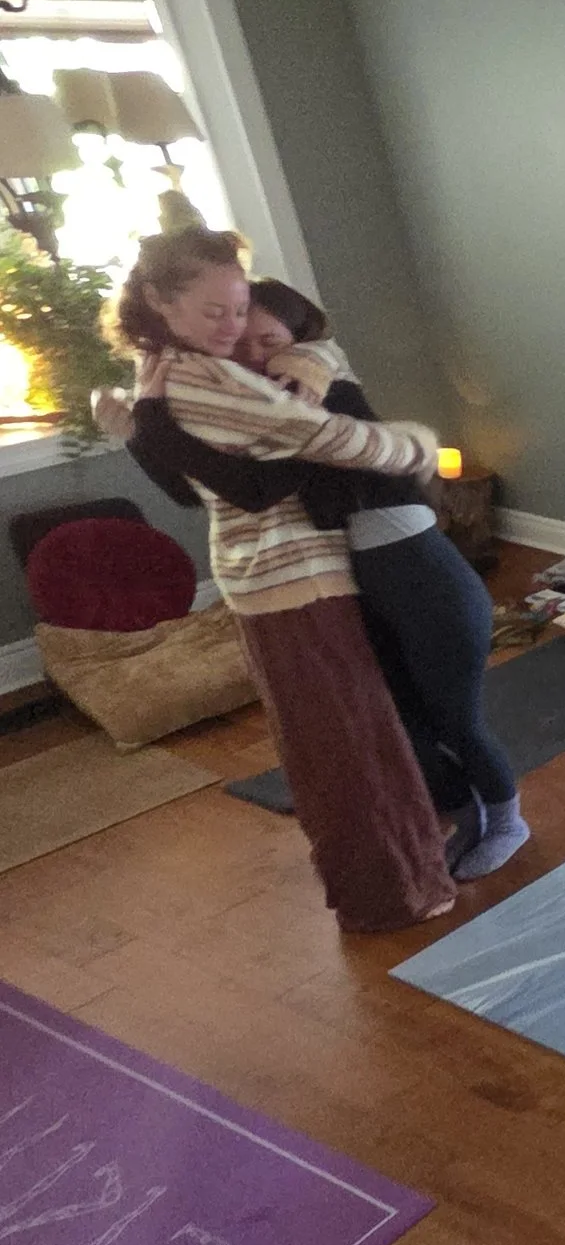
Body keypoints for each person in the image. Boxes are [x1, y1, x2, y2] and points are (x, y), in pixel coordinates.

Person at [104, 278, 527, 877]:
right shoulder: (267, 405)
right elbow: (199, 490)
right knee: (404, 724)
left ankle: (508, 821)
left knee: (456, 721)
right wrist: (139, 434)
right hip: (371, 593)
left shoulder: (317, 387)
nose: (254, 354)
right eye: (242, 345)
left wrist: (154, 418)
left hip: (429, 585)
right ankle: (468, 818)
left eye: (268, 339)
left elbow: (263, 481)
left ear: (299, 338)